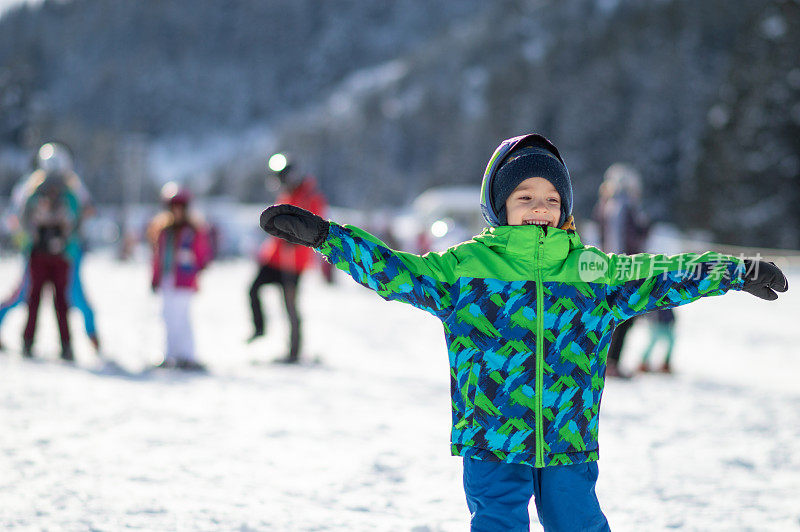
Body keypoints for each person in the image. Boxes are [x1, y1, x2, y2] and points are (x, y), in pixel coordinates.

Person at [259, 133, 788, 531]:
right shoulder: (466, 269)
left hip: (568, 440)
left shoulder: (590, 272)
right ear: (499, 205)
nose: (541, 208)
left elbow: (664, 275)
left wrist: (736, 271)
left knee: (579, 523)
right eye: (526, 197)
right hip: (492, 438)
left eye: (553, 200)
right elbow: (395, 271)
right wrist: (326, 236)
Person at [0, 143, 100, 353]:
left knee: (65, 297)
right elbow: (17, 219)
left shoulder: (72, 187)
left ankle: (85, 338)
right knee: (31, 295)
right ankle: (68, 341)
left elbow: (87, 213)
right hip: (43, 254)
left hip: (63, 254)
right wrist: (29, 242)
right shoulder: (31, 187)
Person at [248, 153, 327, 364]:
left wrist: (297, 237)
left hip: (295, 262)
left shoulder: (310, 196)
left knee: (290, 305)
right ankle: (259, 328)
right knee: (253, 289)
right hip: (274, 258)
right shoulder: (286, 194)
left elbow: (316, 226)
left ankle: (294, 351)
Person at [20, 153, 83, 360]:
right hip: (41, 254)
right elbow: (25, 221)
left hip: (59, 256)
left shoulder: (70, 194)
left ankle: (65, 344)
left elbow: (76, 222)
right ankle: (29, 341)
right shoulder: (34, 192)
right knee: (35, 299)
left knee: (60, 302)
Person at [593, 163, 650, 378]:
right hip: (624, 268)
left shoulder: (606, 204)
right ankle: (612, 362)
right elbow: (622, 240)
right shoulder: (623, 205)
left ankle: (610, 361)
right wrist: (625, 269)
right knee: (624, 316)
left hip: (612, 266)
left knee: (619, 315)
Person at [148, 183, 212, 370]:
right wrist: (154, 278)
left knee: (182, 317)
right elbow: (157, 258)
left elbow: (203, 256)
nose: (177, 211)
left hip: (184, 281)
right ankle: (170, 354)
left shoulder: (193, 231)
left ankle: (187, 355)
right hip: (168, 279)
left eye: (180, 207)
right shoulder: (163, 232)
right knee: (168, 317)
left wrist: (195, 264)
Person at [638, 307, 676, 373]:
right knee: (652, 342)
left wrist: (672, 319)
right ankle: (643, 363)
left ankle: (666, 364)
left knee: (671, 342)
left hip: (667, 322)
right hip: (656, 322)